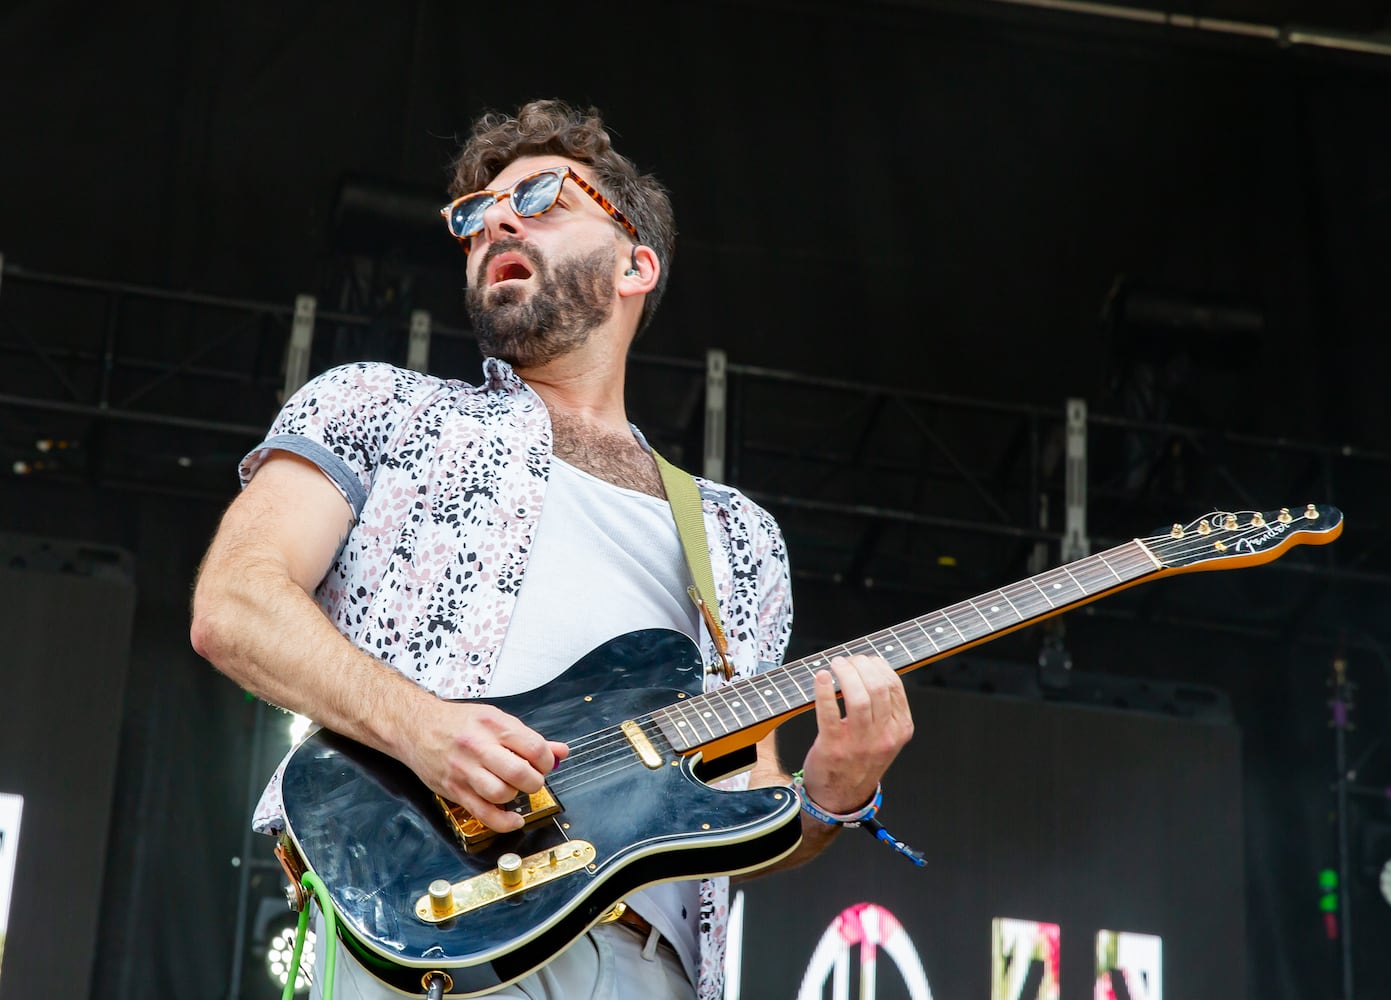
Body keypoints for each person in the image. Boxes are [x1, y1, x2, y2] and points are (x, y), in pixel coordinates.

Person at [189, 98, 915, 999]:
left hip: (648, 970)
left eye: (539, 196)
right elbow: (235, 606)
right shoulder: (379, 406)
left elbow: (737, 811)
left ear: (635, 264)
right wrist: (421, 728)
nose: (494, 218)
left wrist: (830, 795)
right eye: (472, 216)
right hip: (429, 936)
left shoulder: (737, 537)